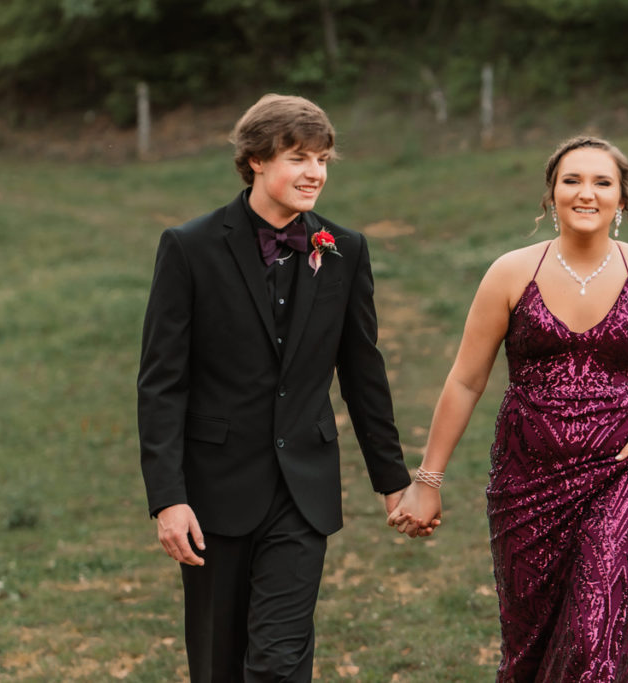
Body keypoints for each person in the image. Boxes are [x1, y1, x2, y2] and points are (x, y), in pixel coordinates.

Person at [389, 136, 628, 681]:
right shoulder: (510, 274)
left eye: (602, 182)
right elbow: (466, 380)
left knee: (595, 639)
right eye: (572, 180)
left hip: (623, 472)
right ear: (550, 194)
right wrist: (429, 478)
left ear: (622, 199)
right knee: (527, 647)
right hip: (525, 482)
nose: (586, 193)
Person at [137, 94, 416, 682]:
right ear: (256, 160)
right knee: (219, 663)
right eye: (298, 157)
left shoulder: (344, 250)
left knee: (279, 661)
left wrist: (393, 481)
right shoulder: (189, 248)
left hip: (304, 491)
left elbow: (363, 372)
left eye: (323, 159)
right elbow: (162, 383)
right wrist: (168, 497)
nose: (315, 173)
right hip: (214, 491)